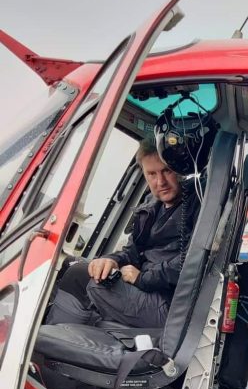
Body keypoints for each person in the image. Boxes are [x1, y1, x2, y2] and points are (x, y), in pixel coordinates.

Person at [46, 141, 196, 330]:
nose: (160, 182)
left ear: (180, 169)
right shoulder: (150, 207)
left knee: (88, 281)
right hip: (146, 288)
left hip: (168, 304)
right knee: (73, 267)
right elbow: (131, 252)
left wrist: (143, 278)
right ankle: (61, 336)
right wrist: (110, 260)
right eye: (152, 174)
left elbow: (192, 261)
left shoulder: (197, 203)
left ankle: (58, 338)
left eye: (166, 171)